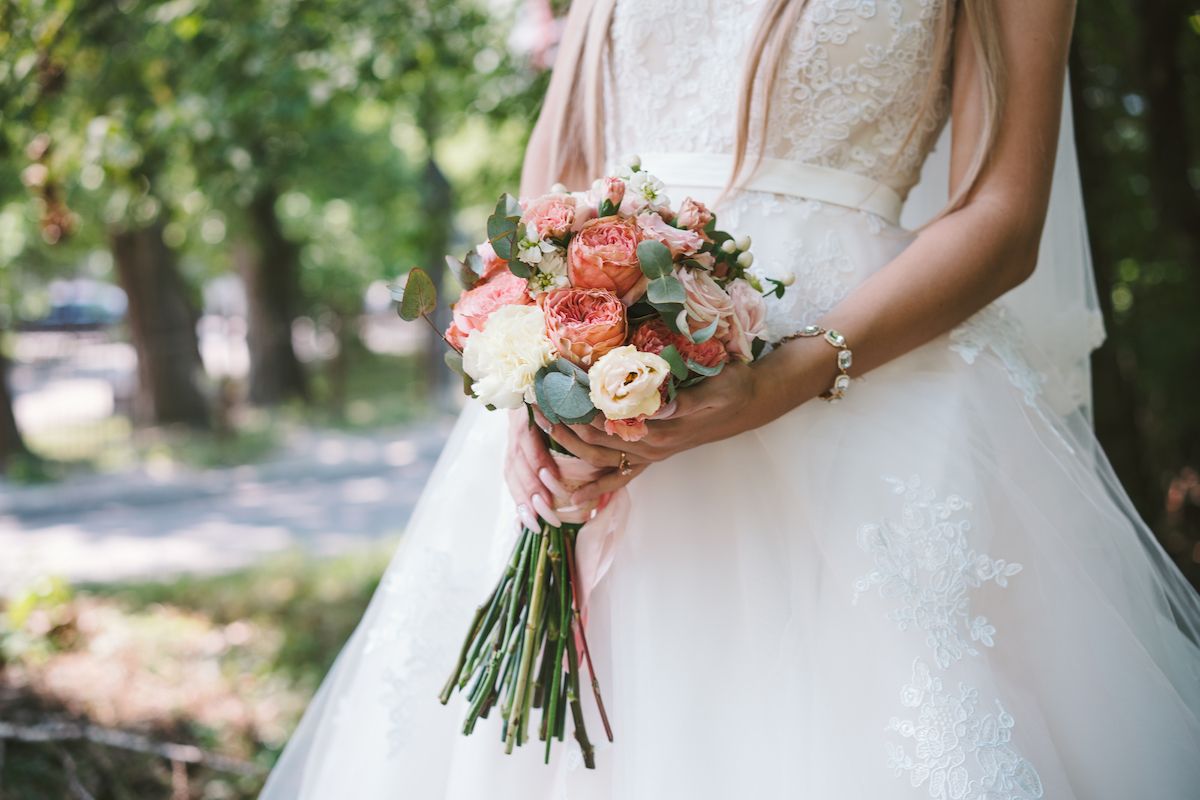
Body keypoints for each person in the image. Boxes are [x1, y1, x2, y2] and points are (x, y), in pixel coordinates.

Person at [261, 1, 1200, 797]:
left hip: (868, 388)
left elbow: (1002, 217)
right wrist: (534, 393)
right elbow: (557, 175)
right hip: (592, 377)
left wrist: (788, 377)